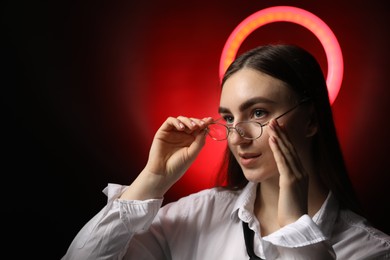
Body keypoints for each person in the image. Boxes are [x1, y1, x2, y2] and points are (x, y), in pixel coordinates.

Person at [62, 44, 390, 259]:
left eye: (259, 112)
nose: (238, 136)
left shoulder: (370, 250)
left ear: (311, 120)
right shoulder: (194, 217)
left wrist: (296, 227)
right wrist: (152, 180)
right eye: (230, 118)